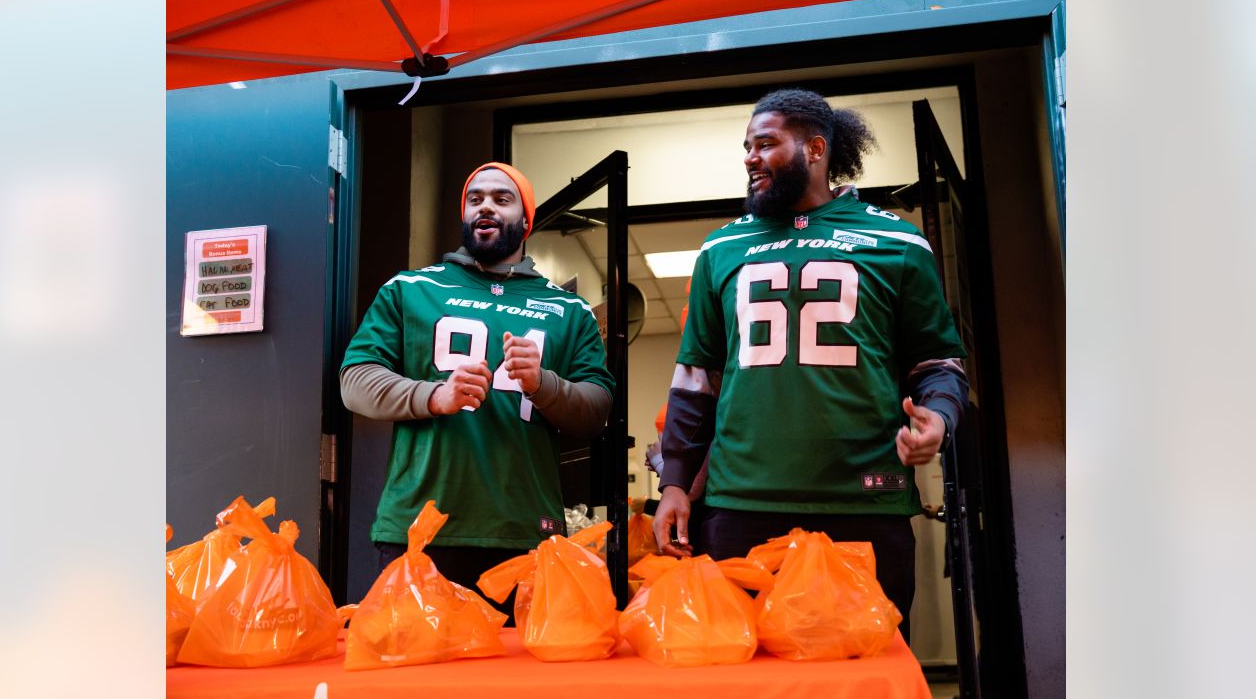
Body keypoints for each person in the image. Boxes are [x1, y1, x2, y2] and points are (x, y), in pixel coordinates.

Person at [652, 89, 968, 642]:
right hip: (739, 506)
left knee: (864, 671)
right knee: (742, 677)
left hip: (865, 502)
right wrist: (676, 482)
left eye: (766, 143)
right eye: (746, 146)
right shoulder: (719, 249)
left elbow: (937, 363)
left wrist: (939, 419)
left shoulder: (898, 241)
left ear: (815, 149)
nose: (750, 157)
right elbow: (695, 380)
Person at [340, 162, 614, 613]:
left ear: (526, 220)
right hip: (419, 528)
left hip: (525, 529)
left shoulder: (571, 310)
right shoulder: (408, 289)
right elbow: (355, 379)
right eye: (475, 198)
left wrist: (543, 384)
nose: (486, 205)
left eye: (502, 199)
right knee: (419, 682)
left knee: (511, 683)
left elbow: (596, 410)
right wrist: (433, 395)